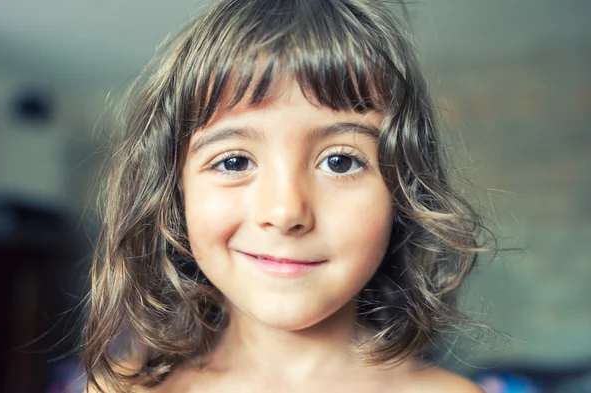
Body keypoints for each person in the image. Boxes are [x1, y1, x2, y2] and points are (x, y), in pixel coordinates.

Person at [83, 0, 493, 391]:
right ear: (174, 193)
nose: (284, 212)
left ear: (404, 193)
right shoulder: (124, 389)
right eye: (234, 163)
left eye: (340, 162)